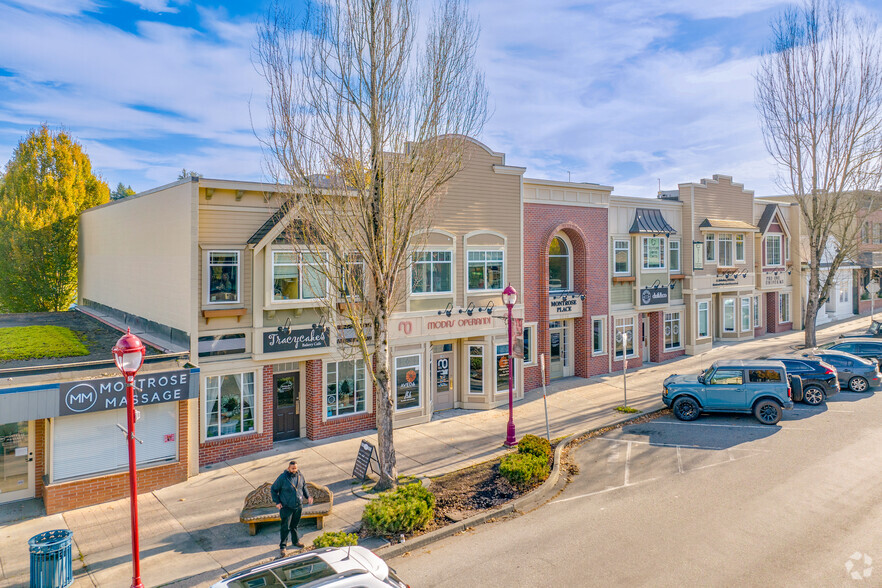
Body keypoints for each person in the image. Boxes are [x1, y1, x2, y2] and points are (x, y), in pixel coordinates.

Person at [270, 460, 313, 557]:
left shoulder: (300, 476)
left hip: (298, 506)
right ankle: (283, 546)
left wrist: (308, 496)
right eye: (292, 468)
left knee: (295, 525)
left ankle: (295, 541)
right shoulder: (283, 478)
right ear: (288, 468)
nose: (294, 470)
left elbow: (304, 487)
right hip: (286, 507)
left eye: (295, 468)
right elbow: (273, 489)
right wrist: (277, 502)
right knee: (285, 527)